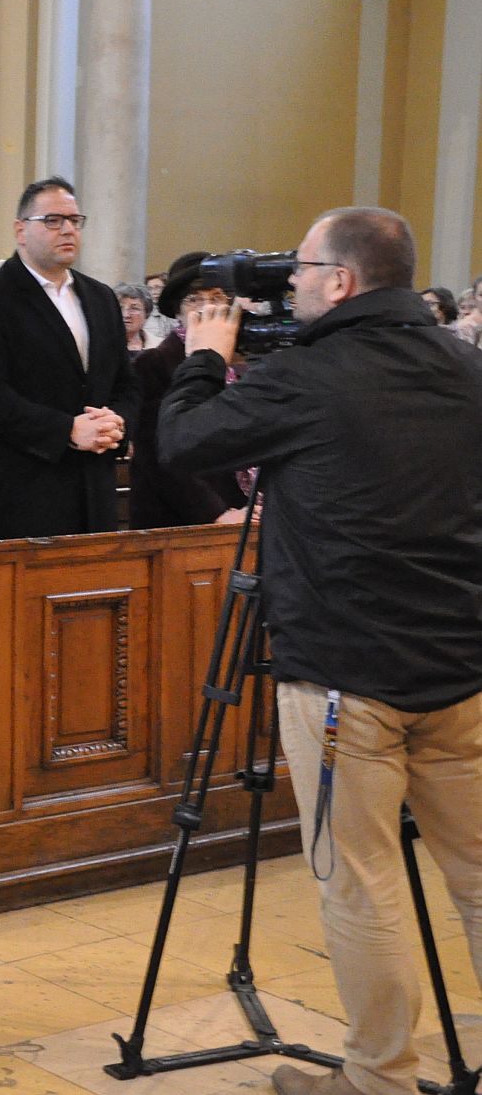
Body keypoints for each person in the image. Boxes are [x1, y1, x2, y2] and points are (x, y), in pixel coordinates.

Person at [160, 207, 482, 1095]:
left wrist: (203, 353)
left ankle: (378, 1079)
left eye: (301, 267)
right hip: (461, 664)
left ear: (340, 281)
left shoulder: (308, 374)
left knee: (362, 883)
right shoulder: (465, 362)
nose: (289, 280)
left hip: (347, 674)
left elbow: (184, 442)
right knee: (481, 879)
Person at [0, 176, 137, 541]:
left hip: (92, 488)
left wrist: (116, 421)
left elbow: (125, 382)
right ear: (21, 230)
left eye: (74, 220)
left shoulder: (100, 298)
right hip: (18, 491)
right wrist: (66, 430)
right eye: (53, 220)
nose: (67, 229)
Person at [128, 253, 247, 529]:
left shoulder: (239, 365)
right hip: (179, 517)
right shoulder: (154, 363)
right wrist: (216, 513)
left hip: (239, 509)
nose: (207, 308)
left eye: (216, 298)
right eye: (195, 300)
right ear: (178, 311)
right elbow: (156, 454)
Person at [117, 282, 153, 356]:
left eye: (134, 308)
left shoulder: (159, 347)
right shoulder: (100, 345)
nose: (125, 315)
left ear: (146, 314)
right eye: (120, 308)